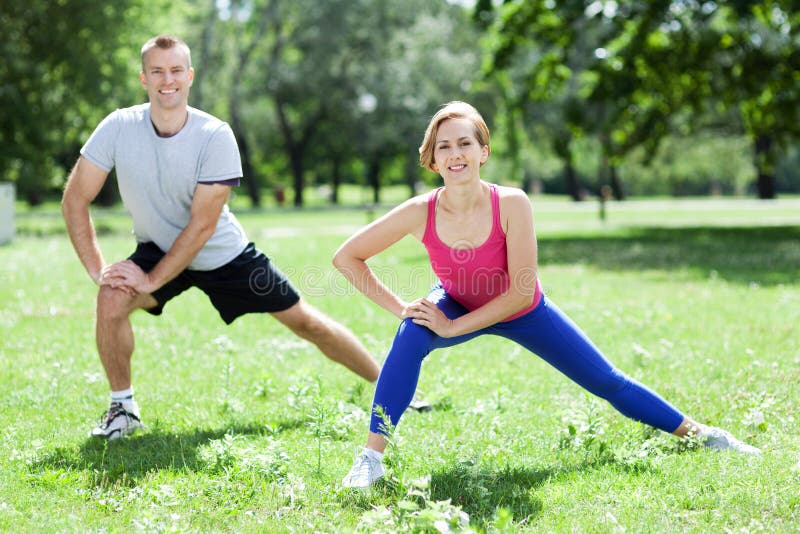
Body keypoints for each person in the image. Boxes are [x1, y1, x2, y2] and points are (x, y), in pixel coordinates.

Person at [334, 101, 761, 489]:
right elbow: (347, 257)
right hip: (457, 300)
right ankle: (371, 459)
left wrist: (452, 327)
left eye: (465, 143)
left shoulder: (512, 203)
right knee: (410, 335)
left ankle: (703, 435)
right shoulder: (419, 210)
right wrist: (403, 309)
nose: (455, 154)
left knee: (606, 381)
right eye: (444, 146)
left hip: (522, 310)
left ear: (483, 152)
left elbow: (520, 291)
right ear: (432, 159)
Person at [61, 35, 386, 440]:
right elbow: (76, 198)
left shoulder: (214, 134)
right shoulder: (118, 127)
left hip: (224, 254)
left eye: (176, 70)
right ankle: (122, 409)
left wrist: (150, 280)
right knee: (110, 299)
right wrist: (98, 271)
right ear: (143, 77)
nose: (168, 80)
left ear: (190, 76)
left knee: (306, 322)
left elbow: (201, 226)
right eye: (158, 71)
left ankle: (391, 390)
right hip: (158, 248)